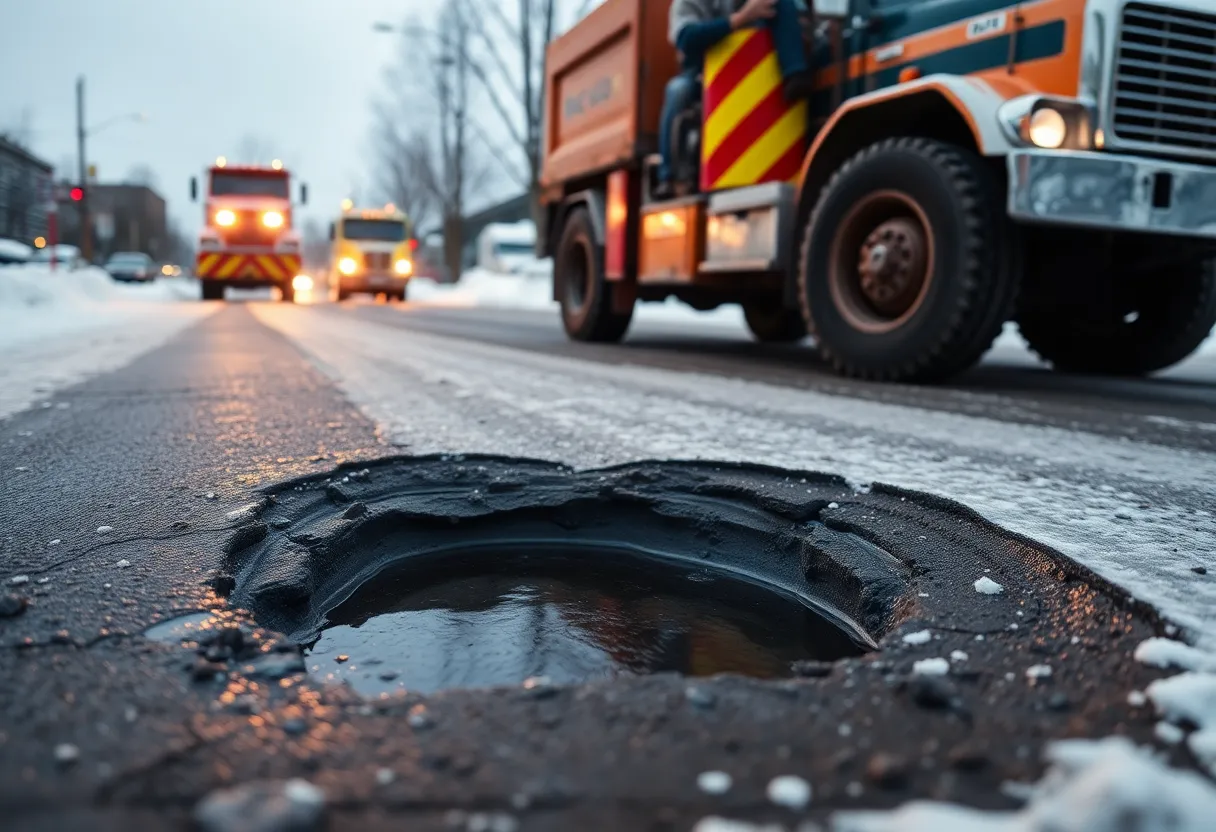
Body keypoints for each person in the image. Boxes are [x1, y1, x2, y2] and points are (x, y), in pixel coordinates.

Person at [656, 0, 813, 198]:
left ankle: (794, 71)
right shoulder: (686, 3)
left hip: (753, 66)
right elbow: (687, 38)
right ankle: (668, 176)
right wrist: (741, 18)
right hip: (704, 71)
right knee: (677, 90)